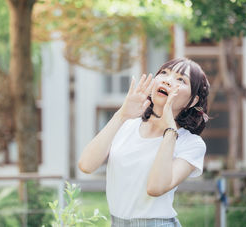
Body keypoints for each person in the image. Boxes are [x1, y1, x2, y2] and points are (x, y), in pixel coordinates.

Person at [78, 58, 210, 227]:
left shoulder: (191, 144)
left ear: (192, 101)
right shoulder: (127, 125)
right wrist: (122, 114)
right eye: (164, 73)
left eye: (181, 79)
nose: (167, 80)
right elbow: (86, 165)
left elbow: (155, 188)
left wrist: (170, 131)